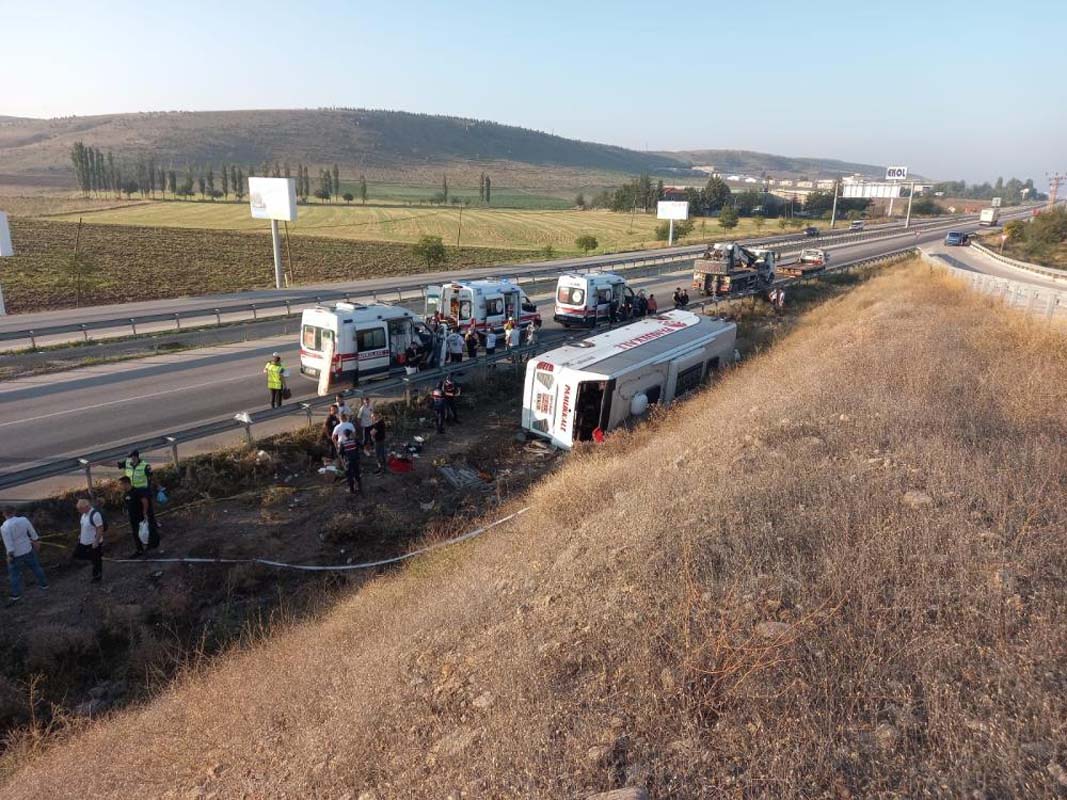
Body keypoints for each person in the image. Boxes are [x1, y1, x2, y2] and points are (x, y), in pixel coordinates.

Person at [2, 506, 47, 601]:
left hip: (16, 554)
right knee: (36, 567)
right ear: (14, 511)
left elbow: (8, 543)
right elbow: (32, 532)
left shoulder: (4, 527)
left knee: (14, 575)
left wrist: (10, 555)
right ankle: (44, 584)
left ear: (4, 514)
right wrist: (36, 541)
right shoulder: (23, 520)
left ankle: (16, 594)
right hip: (27, 549)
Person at [118, 450, 158, 548]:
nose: (130, 459)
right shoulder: (128, 462)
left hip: (143, 492)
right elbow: (116, 464)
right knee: (137, 516)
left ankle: (152, 537)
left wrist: (158, 487)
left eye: (131, 457)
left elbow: (152, 477)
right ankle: (144, 539)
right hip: (132, 492)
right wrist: (99, 463)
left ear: (135, 457)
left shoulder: (144, 466)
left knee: (148, 516)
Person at [74, 499, 105, 584]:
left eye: (80, 509)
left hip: (93, 542)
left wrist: (96, 541)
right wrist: (81, 534)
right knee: (77, 554)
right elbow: (83, 526)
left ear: (86, 507)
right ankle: (96, 558)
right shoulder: (83, 515)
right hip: (84, 541)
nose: (79, 511)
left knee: (96, 561)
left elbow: (100, 528)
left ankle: (97, 576)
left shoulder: (95, 515)